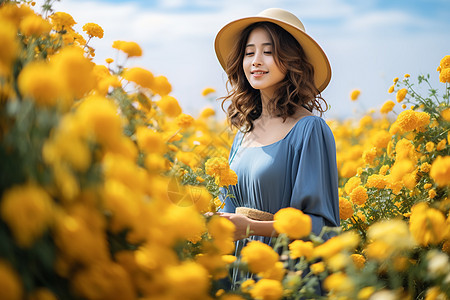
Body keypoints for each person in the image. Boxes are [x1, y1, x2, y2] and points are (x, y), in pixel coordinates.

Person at [214, 8, 340, 289]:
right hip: (242, 271)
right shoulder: (243, 134)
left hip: (287, 274)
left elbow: (322, 227)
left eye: (268, 52)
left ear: (291, 61)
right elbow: (231, 208)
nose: (256, 62)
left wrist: (251, 228)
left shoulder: (310, 130)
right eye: (249, 53)